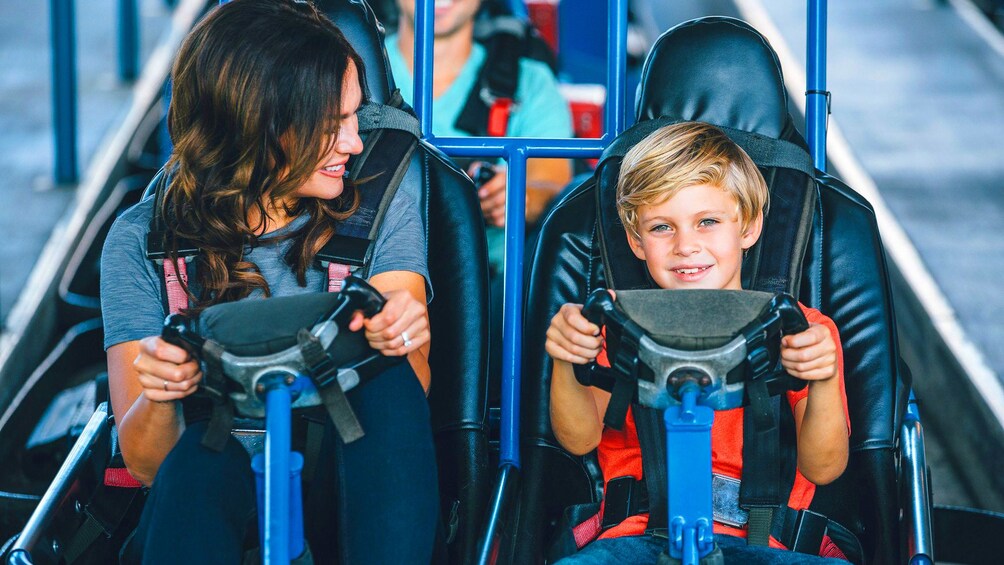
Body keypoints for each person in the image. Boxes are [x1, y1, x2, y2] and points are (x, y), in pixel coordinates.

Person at [100, 1, 438, 563]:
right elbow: (146, 464)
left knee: (386, 379)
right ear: (258, 127)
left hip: (349, 481)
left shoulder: (382, 205)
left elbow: (410, 395)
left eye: (356, 118)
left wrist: (397, 335)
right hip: (212, 492)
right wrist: (163, 393)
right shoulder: (144, 241)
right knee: (201, 466)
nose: (355, 144)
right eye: (332, 127)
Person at [545, 122, 851, 563]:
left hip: (765, 541)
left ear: (747, 227)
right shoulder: (610, 321)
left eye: (707, 222)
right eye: (662, 228)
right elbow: (578, 439)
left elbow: (824, 468)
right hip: (636, 537)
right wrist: (565, 358)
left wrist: (823, 379)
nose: (686, 245)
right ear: (635, 241)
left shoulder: (801, 331)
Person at [386, 0, 573, 261]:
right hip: (374, 272)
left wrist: (519, 194)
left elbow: (553, 182)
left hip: (494, 282)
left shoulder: (531, 83)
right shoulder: (350, 70)